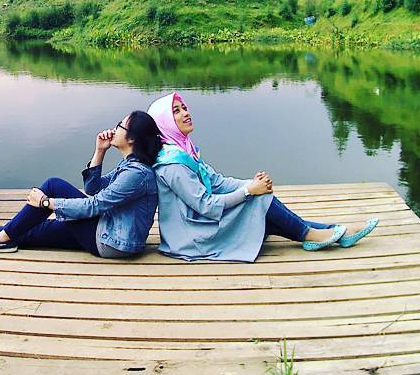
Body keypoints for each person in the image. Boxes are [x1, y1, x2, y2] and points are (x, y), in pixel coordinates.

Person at [147, 92, 378, 261]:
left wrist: (251, 183)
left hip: (200, 223)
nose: (186, 113)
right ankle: (315, 234)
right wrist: (249, 191)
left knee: (262, 206)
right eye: (176, 111)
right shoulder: (172, 165)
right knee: (259, 201)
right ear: (164, 123)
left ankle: (336, 232)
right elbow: (205, 205)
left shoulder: (184, 149)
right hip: (191, 237)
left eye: (184, 107)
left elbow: (216, 182)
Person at [0, 111, 161, 257]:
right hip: (108, 231)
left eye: (120, 125)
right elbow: (94, 188)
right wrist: (100, 151)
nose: (115, 128)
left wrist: (47, 203)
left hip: (113, 242)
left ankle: (0, 240)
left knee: (53, 184)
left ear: (131, 138)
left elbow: (95, 204)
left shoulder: (137, 174)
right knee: (37, 229)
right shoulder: (130, 166)